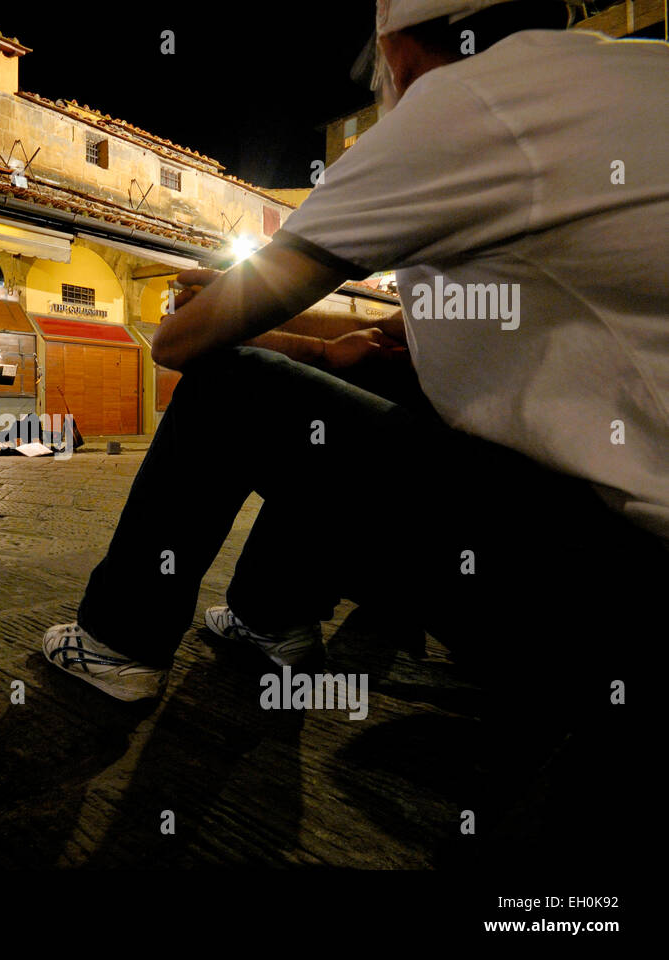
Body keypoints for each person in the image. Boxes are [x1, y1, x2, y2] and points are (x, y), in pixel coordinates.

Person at [42, 0, 669, 715]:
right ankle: (268, 616)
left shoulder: (461, 105)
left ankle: (115, 642)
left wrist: (237, 309)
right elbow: (408, 329)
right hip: (627, 560)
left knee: (232, 388)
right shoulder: (636, 73)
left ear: (396, 52)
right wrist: (299, 333)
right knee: (346, 398)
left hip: (611, 597)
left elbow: (180, 343)